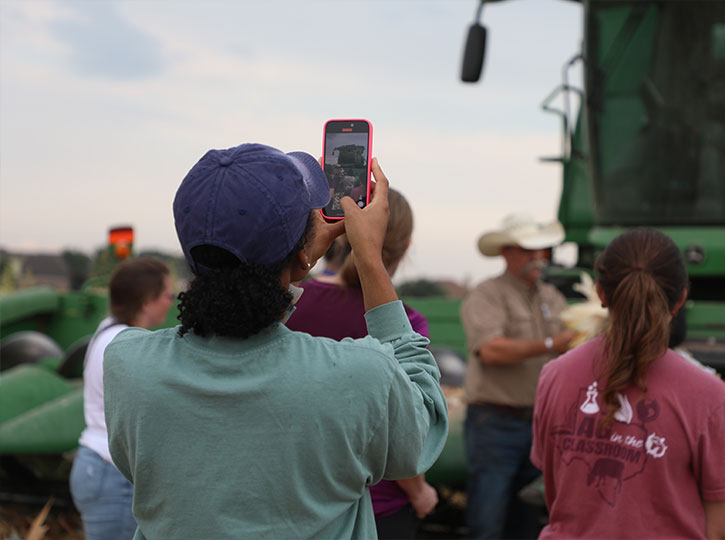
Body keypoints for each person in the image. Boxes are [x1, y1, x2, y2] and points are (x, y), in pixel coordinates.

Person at [102, 143, 448, 539]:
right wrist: (369, 259)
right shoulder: (361, 375)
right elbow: (422, 433)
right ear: (301, 255)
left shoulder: (128, 364)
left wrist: (295, 264)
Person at [531, 229, 725, 539]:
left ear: (601, 294)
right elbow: (719, 530)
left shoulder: (554, 376)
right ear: (680, 298)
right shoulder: (709, 395)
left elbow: (555, 485)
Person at [286, 188, 439, 539]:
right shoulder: (408, 326)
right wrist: (419, 492)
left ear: (337, 231)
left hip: (297, 497)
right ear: (406, 245)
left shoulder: (290, 304)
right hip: (378, 506)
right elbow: (406, 431)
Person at [460, 214, 578, 539]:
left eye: (541, 251)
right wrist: (551, 344)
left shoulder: (551, 297)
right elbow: (491, 351)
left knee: (526, 522)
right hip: (495, 422)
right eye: (529, 250)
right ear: (507, 252)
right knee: (488, 520)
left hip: (540, 423)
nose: (537, 258)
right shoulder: (487, 295)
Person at [69, 257, 173, 540]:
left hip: (95, 465)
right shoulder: (126, 344)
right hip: (110, 472)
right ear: (146, 300)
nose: (170, 302)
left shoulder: (108, 329)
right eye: (168, 295)